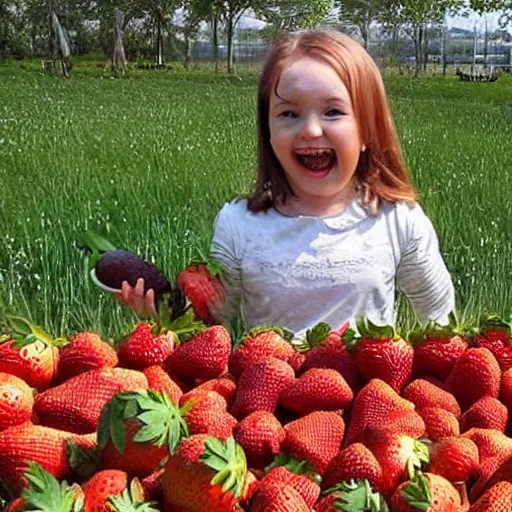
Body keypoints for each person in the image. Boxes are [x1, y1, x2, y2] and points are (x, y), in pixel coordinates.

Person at [115, 29, 455, 338]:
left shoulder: (398, 220)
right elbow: (208, 324)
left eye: (333, 112)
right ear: (269, 131)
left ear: (368, 129)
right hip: (266, 399)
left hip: (366, 401)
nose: (310, 129)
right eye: (289, 114)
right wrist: (162, 316)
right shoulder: (239, 225)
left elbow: (442, 322)